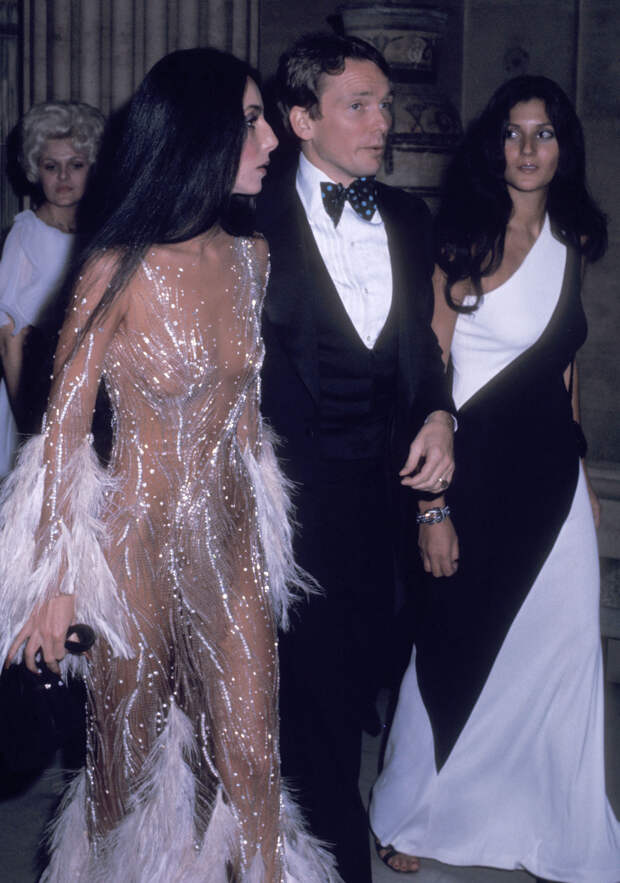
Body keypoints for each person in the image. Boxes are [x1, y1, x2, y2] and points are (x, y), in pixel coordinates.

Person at [0, 48, 340, 882]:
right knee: (122, 775)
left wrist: (265, 539)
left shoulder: (252, 257)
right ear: (201, 133)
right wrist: (55, 580)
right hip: (132, 552)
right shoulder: (116, 266)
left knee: (253, 763)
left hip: (230, 543)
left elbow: (249, 425)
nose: (271, 139)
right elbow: (61, 433)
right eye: (252, 120)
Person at [370, 75, 620, 881]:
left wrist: (580, 476)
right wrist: (431, 506)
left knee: (564, 649)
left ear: (564, 146)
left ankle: (553, 822)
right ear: (494, 144)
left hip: (551, 482)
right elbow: (427, 376)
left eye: (544, 133)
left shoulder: (573, 242)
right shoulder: (461, 241)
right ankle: (413, 811)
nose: (528, 148)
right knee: (450, 645)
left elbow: (564, 371)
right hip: (470, 479)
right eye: (513, 132)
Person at [257, 32, 455, 883]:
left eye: (385, 105)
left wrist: (439, 415)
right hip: (284, 503)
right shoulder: (245, 216)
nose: (384, 123)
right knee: (314, 705)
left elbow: (421, 350)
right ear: (303, 119)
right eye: (359, 106)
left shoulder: (407, 218)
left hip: (381, 499)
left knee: (363, 675)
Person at [0, 101, 104, 477]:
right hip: (34, 398)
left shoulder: (100, 233)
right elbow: (9, 340)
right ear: (35, 169)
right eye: (50, 166)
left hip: (87, 395)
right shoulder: (25, 235)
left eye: (75, 165)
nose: (63, 177)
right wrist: (29, 425)